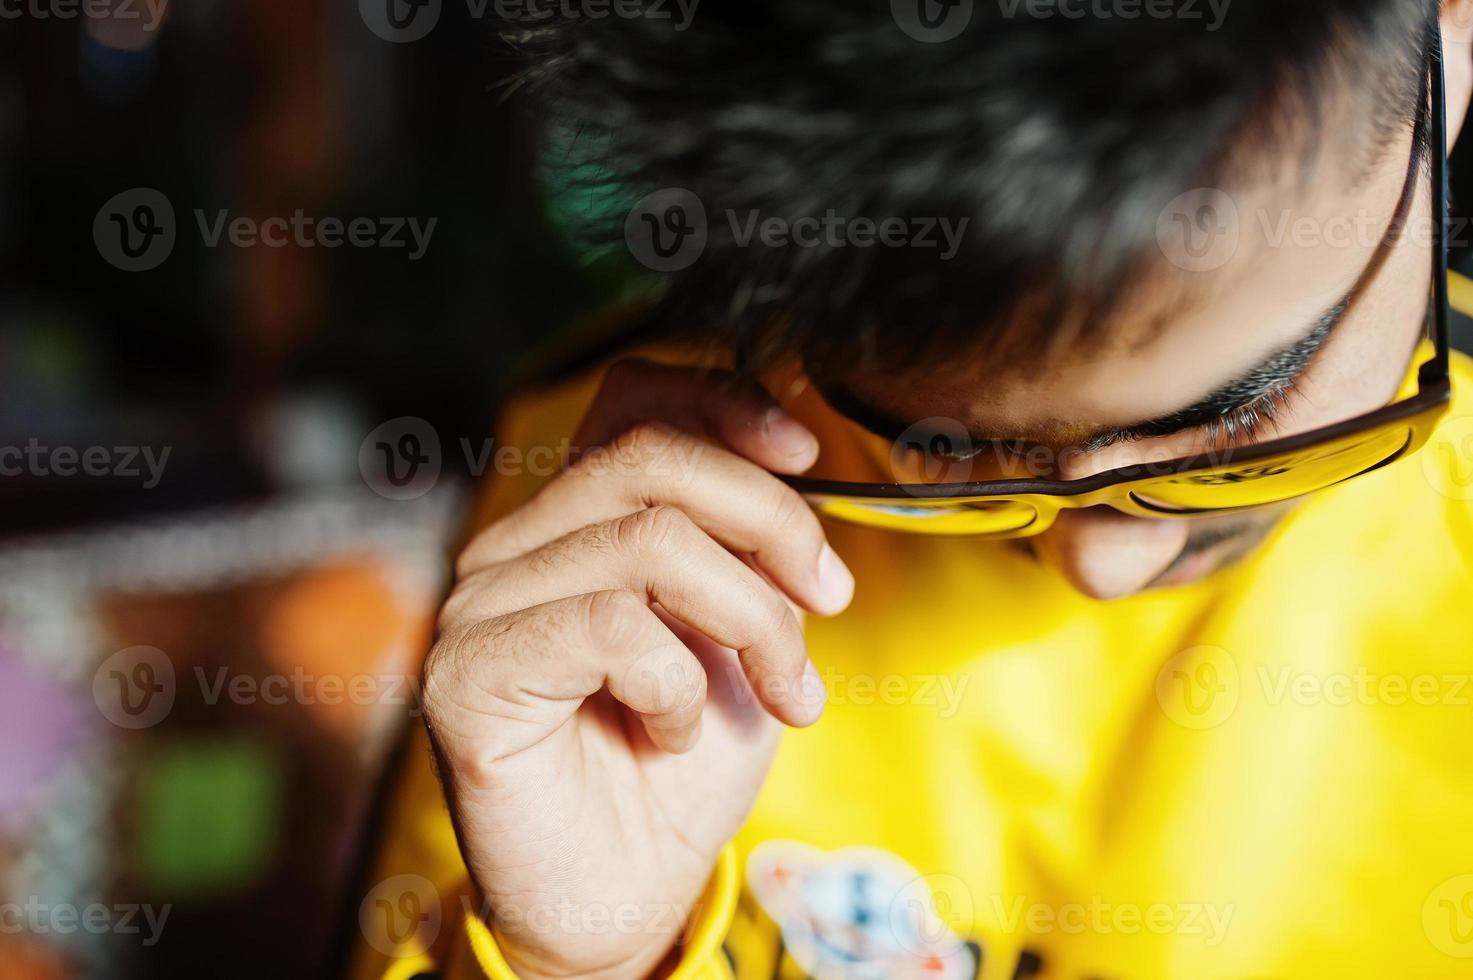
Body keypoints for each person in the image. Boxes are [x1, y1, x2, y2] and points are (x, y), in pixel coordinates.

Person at [352, 2, 1473, 976]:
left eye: (1239, 414)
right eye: (944, 449)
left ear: (1448, 29)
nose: (1101, 559)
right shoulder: (616, 510)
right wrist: (578, 961)